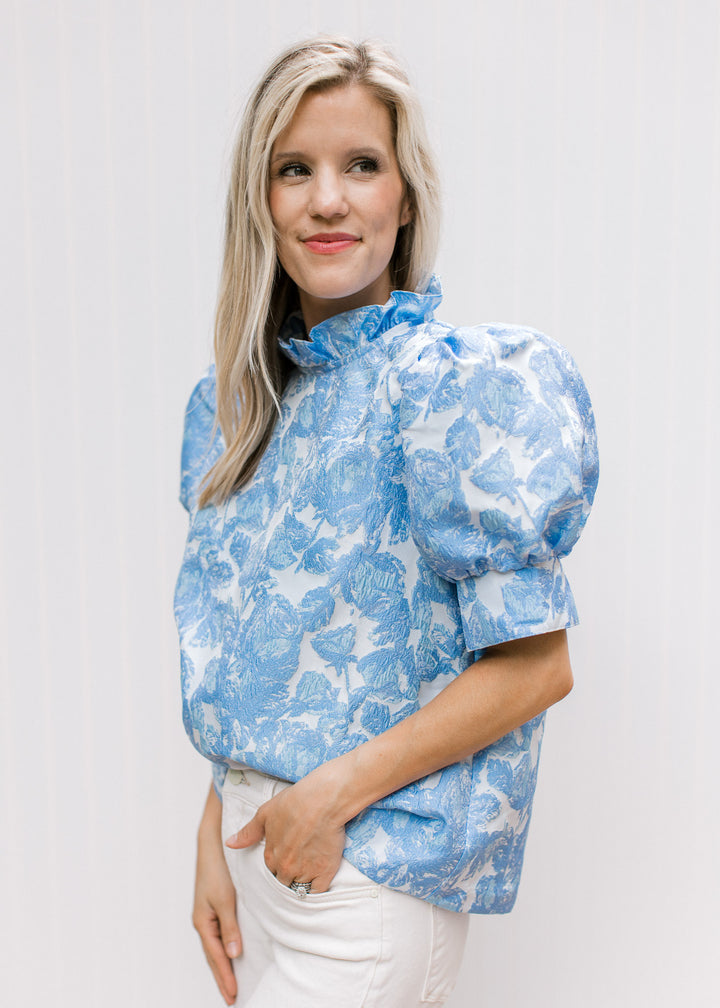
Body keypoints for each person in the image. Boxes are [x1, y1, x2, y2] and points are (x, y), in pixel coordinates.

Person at [175, 35, 598, 1008]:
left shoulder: (453, 388)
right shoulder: (236, 411)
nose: (328, 198)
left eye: (361, 165)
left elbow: (538, 666)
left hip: (367, 880)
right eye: (295, 169)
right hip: (256, 865)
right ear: (261, 198)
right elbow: (256, 656)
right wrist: (212, 833)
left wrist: (327, 798)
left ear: (405, 197)